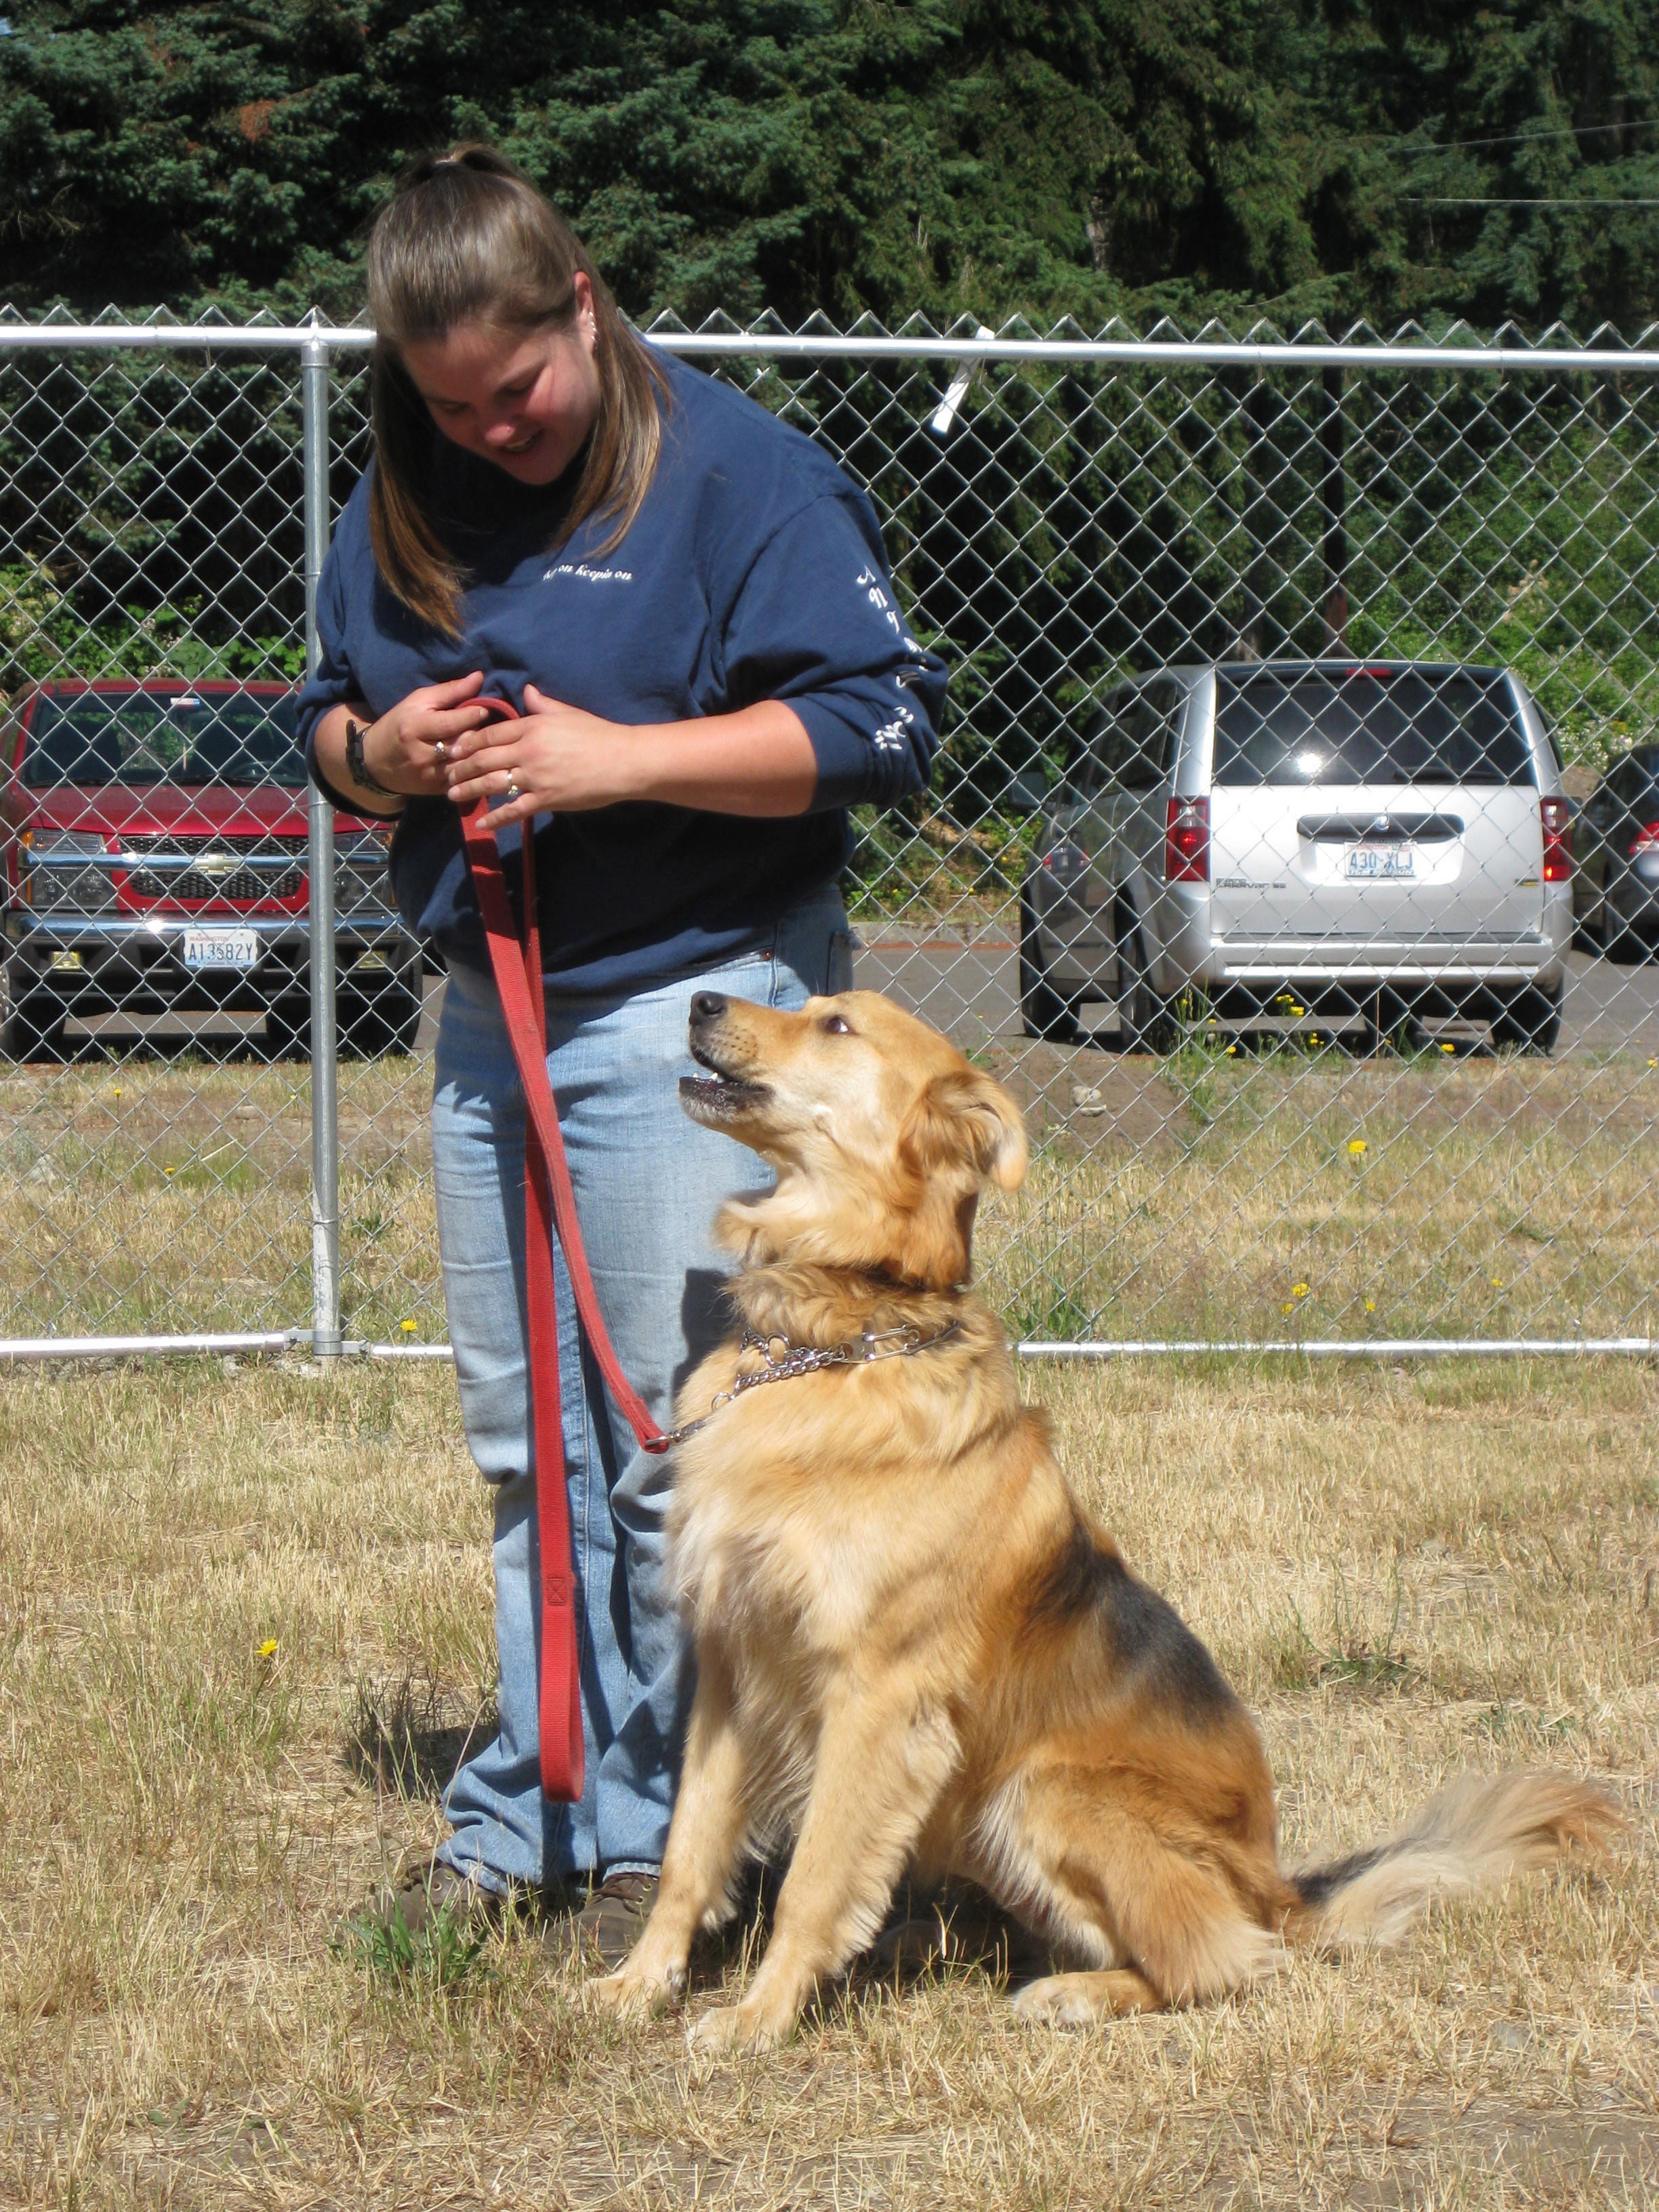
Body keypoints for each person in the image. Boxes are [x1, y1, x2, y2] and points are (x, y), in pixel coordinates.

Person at [297, 146, 945, 1963]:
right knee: (527, 1441)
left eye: (517, 392)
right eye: (445, 404)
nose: (487, 431)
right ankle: (533, 1809)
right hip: (491, 1001)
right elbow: (328, 726)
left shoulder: (744, 473)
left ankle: (685, 1848)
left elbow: (879, 728)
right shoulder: (412, 479)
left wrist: (617, 761)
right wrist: (391, 758)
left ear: (581, 301)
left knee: (677, 1444)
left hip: (690, 1003)